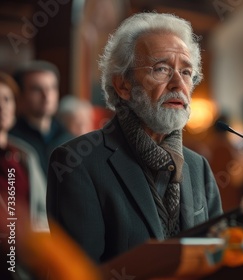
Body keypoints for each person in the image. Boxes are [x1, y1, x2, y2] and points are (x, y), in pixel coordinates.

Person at [46, 13, 223, 263]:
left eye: (186, 72)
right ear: (123, 85)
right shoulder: (77, 163)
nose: (177, 84)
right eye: (161, 69)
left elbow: (218, 258)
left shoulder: (198, 167)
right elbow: (80, 273)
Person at [0, 72, 48, 231]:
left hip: (22, 249)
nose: (2, 106)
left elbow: (42, 209)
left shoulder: (25, 155)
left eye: (7, 99)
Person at [10, 60, 73, 175]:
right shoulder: (11, 140)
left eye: (52, 88)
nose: (46, 95)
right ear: (21, 95)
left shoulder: (70, 138)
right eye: (36, 89)